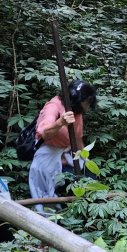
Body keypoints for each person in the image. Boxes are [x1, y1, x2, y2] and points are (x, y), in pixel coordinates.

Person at [29, 80, 96, 211]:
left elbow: (77, 138)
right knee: (65, 185)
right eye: (87, 102)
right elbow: (44, 133)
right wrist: (60, 122)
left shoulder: (77, 111)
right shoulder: (53, 106)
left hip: (69, 155)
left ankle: (84, 214)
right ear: (79, 100)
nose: (88, 106)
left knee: (90, 178)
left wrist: (86, 160)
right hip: (49, 156)